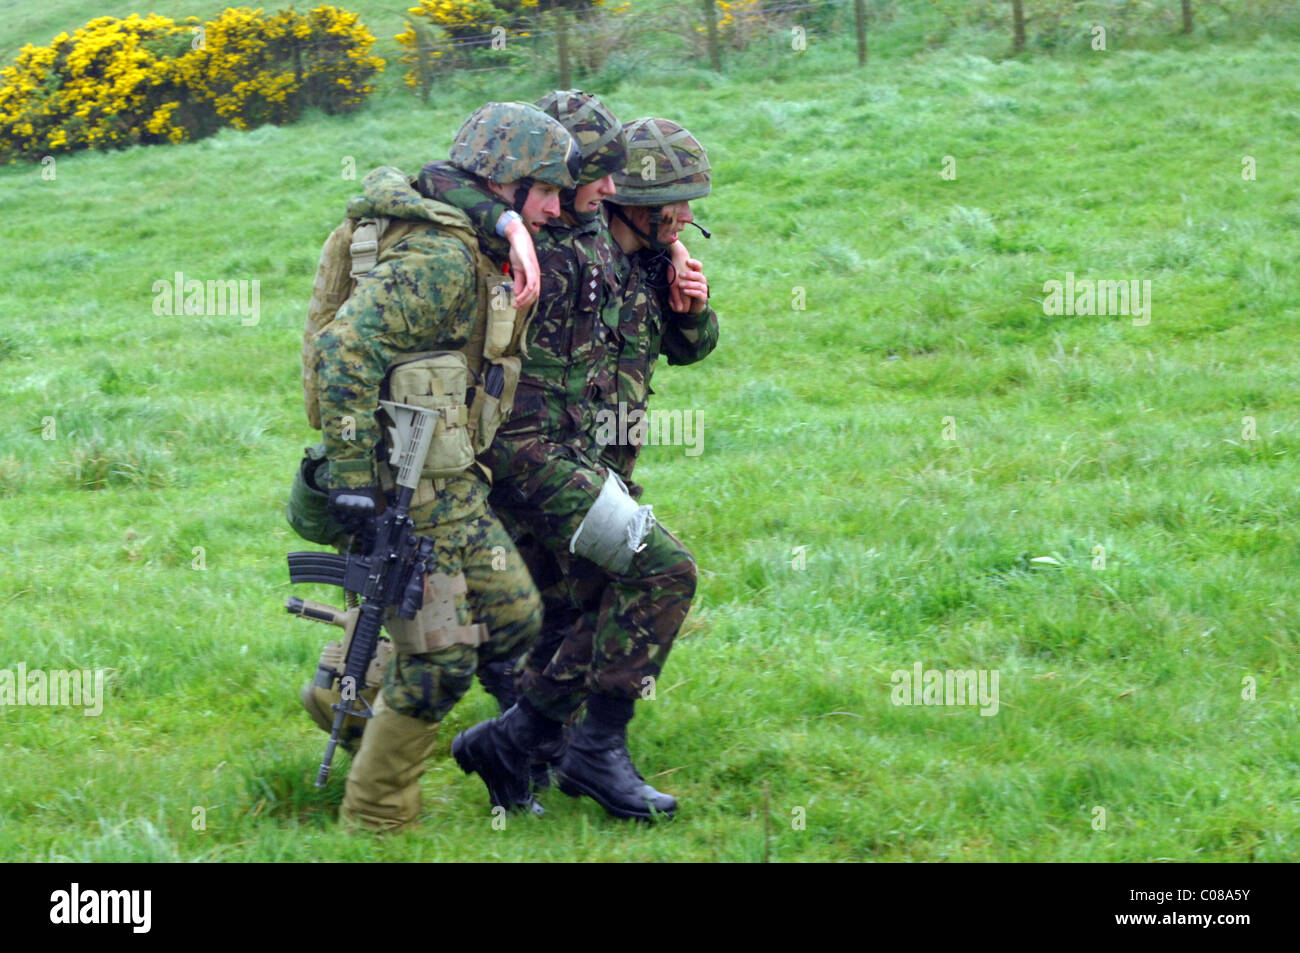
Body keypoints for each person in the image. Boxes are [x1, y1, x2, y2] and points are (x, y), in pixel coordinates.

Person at [308, 101, 580, 831]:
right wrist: (355, 481)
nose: (555, 207)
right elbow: (343, 351)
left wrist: (516, 227)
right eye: (545, 191)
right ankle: (376, 821)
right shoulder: (439, 260)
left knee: (516, 615)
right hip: (399, 485)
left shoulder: (477, 237)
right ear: (505, 182)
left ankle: (345, 687)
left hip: (451, 479)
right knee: (442, 663)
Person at [447, 105, 718, 821]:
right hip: (530, 458)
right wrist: (509, 225)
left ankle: (520, 746)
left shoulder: (631, 249)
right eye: (672, 202)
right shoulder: (549, 232)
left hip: (588, 462)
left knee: (591, 603)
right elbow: (436, 182)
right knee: (661, 570)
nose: (685, 215)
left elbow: (681, 343)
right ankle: (578, 748)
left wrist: (691, 306)